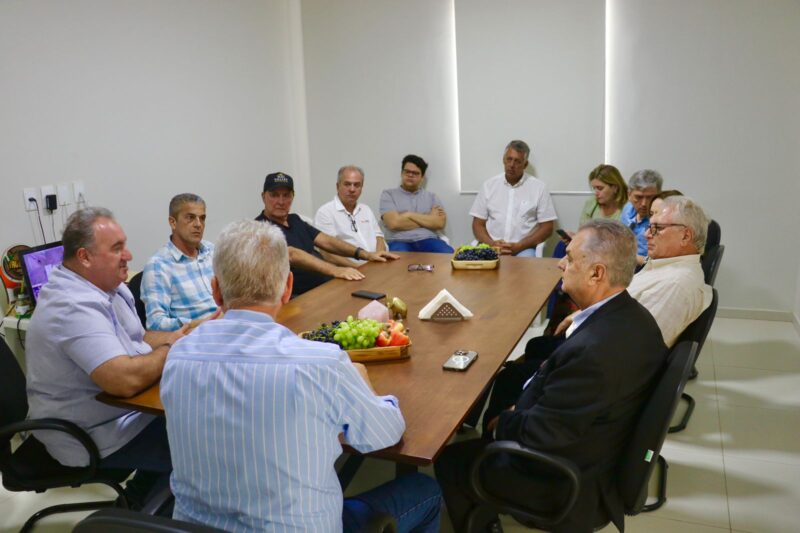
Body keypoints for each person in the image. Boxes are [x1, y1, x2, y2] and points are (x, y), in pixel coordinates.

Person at [161, 219, 442, 532]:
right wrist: (363, 381)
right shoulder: (321, 363)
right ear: (288, 287)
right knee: (425, 491)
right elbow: (385, 434)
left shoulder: (178, 356)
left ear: (215, 290)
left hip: (195, 527)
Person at [435, 220, 667, 533]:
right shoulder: (633, 317)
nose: (561, 264)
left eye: (569, 258)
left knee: (451, 459)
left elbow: (544, 435)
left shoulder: (593, 353)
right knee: (511, 380)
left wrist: (502, 422)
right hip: (596, 448)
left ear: (597, 273)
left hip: (565, 480)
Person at [481, 196, 712, 439]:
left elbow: (631, 353)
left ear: (685, 236)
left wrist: (510, 417)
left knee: (511, 375)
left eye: (657, 229)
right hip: (596, 348)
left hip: (594, 381)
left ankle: (488, 444)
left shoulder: (676, 285)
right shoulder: (666, 268)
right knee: (533, 350)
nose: (647, 234)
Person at [25, 207, 185, 508]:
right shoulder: (71, 306)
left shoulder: (106, 287)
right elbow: (123, 380)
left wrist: (177, 337)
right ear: (85, 257)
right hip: (89, 435)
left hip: (118, 415)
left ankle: (137, 506)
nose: (128, 255)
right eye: (117, 248)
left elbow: (136, 338)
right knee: (195, 446)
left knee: (190, 421)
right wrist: (171, 350)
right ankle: (148, 520)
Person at [256, 172, 398, 297]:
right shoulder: (260, 227)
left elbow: (326, 241)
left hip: (325, 286)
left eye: (286, 195)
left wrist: (366, 255)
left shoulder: (295, 220)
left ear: (293, 197)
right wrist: (336, 270)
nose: (281, 201)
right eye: (274, 195)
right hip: (295, 296)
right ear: (263, 197)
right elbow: (292, 254)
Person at [141, 193, 219, 331]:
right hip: (196, 335)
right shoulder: (159, 265)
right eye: (190, 218)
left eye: (202, 218)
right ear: (173, 222)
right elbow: (155, 323)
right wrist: (201, 323)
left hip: (228, 325)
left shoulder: (212, 251)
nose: (198, 224)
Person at [470, 140, 557, 256]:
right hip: (491, 246)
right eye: (509, 159)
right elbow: (477, 224)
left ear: (525, 164)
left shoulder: (539, 188)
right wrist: (492, 244)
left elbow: (547, 228)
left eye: (517, 161)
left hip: (523, 249)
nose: (511, 165)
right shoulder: (489, 186)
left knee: (526, 262)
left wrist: (519, 246)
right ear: (503, 160)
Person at [379, 154, 454, 253]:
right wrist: (428, 218)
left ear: (422, 177)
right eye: (407, 171)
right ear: (401, 173)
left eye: (415, 173)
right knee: (398, 259)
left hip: (428, 239)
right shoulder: (388, 194)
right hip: (399, 240)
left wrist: (408, 215)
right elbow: (394, 223)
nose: (410, 175)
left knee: (447, 253)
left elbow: (439, 223)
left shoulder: (432, 197)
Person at [314, 165, 387, 266]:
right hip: (351, 270)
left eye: (357, 185)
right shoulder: (325, 212)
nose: (352, 189)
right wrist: (359, 269)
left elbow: (379, 237)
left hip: (377, 266)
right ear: (337, 186)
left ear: (362, 187)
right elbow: (327, 254)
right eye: (347, 184)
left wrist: (379, 259)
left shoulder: (366, 209)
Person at [620, 169, 663, 259]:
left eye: (650, 197)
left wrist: (637, 260)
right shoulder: (627, 210)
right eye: (638, 197)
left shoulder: (663, 218)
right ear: (629, 194)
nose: (644, 203)